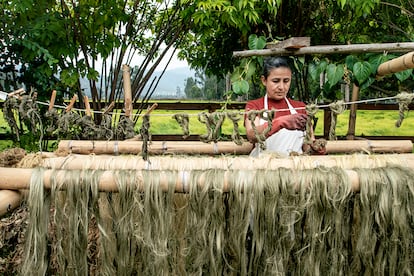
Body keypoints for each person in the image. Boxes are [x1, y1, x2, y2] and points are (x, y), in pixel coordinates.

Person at [244, 56, 323, 157]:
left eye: (286, 81)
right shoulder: (255, 106)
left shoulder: (300, 108)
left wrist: (316, 149)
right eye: (276, 81)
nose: (281, 87)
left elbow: (307, 145)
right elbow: (251, 135)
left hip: (294, 168)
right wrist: (281, 123)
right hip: (263, 168)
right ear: (264, 80)